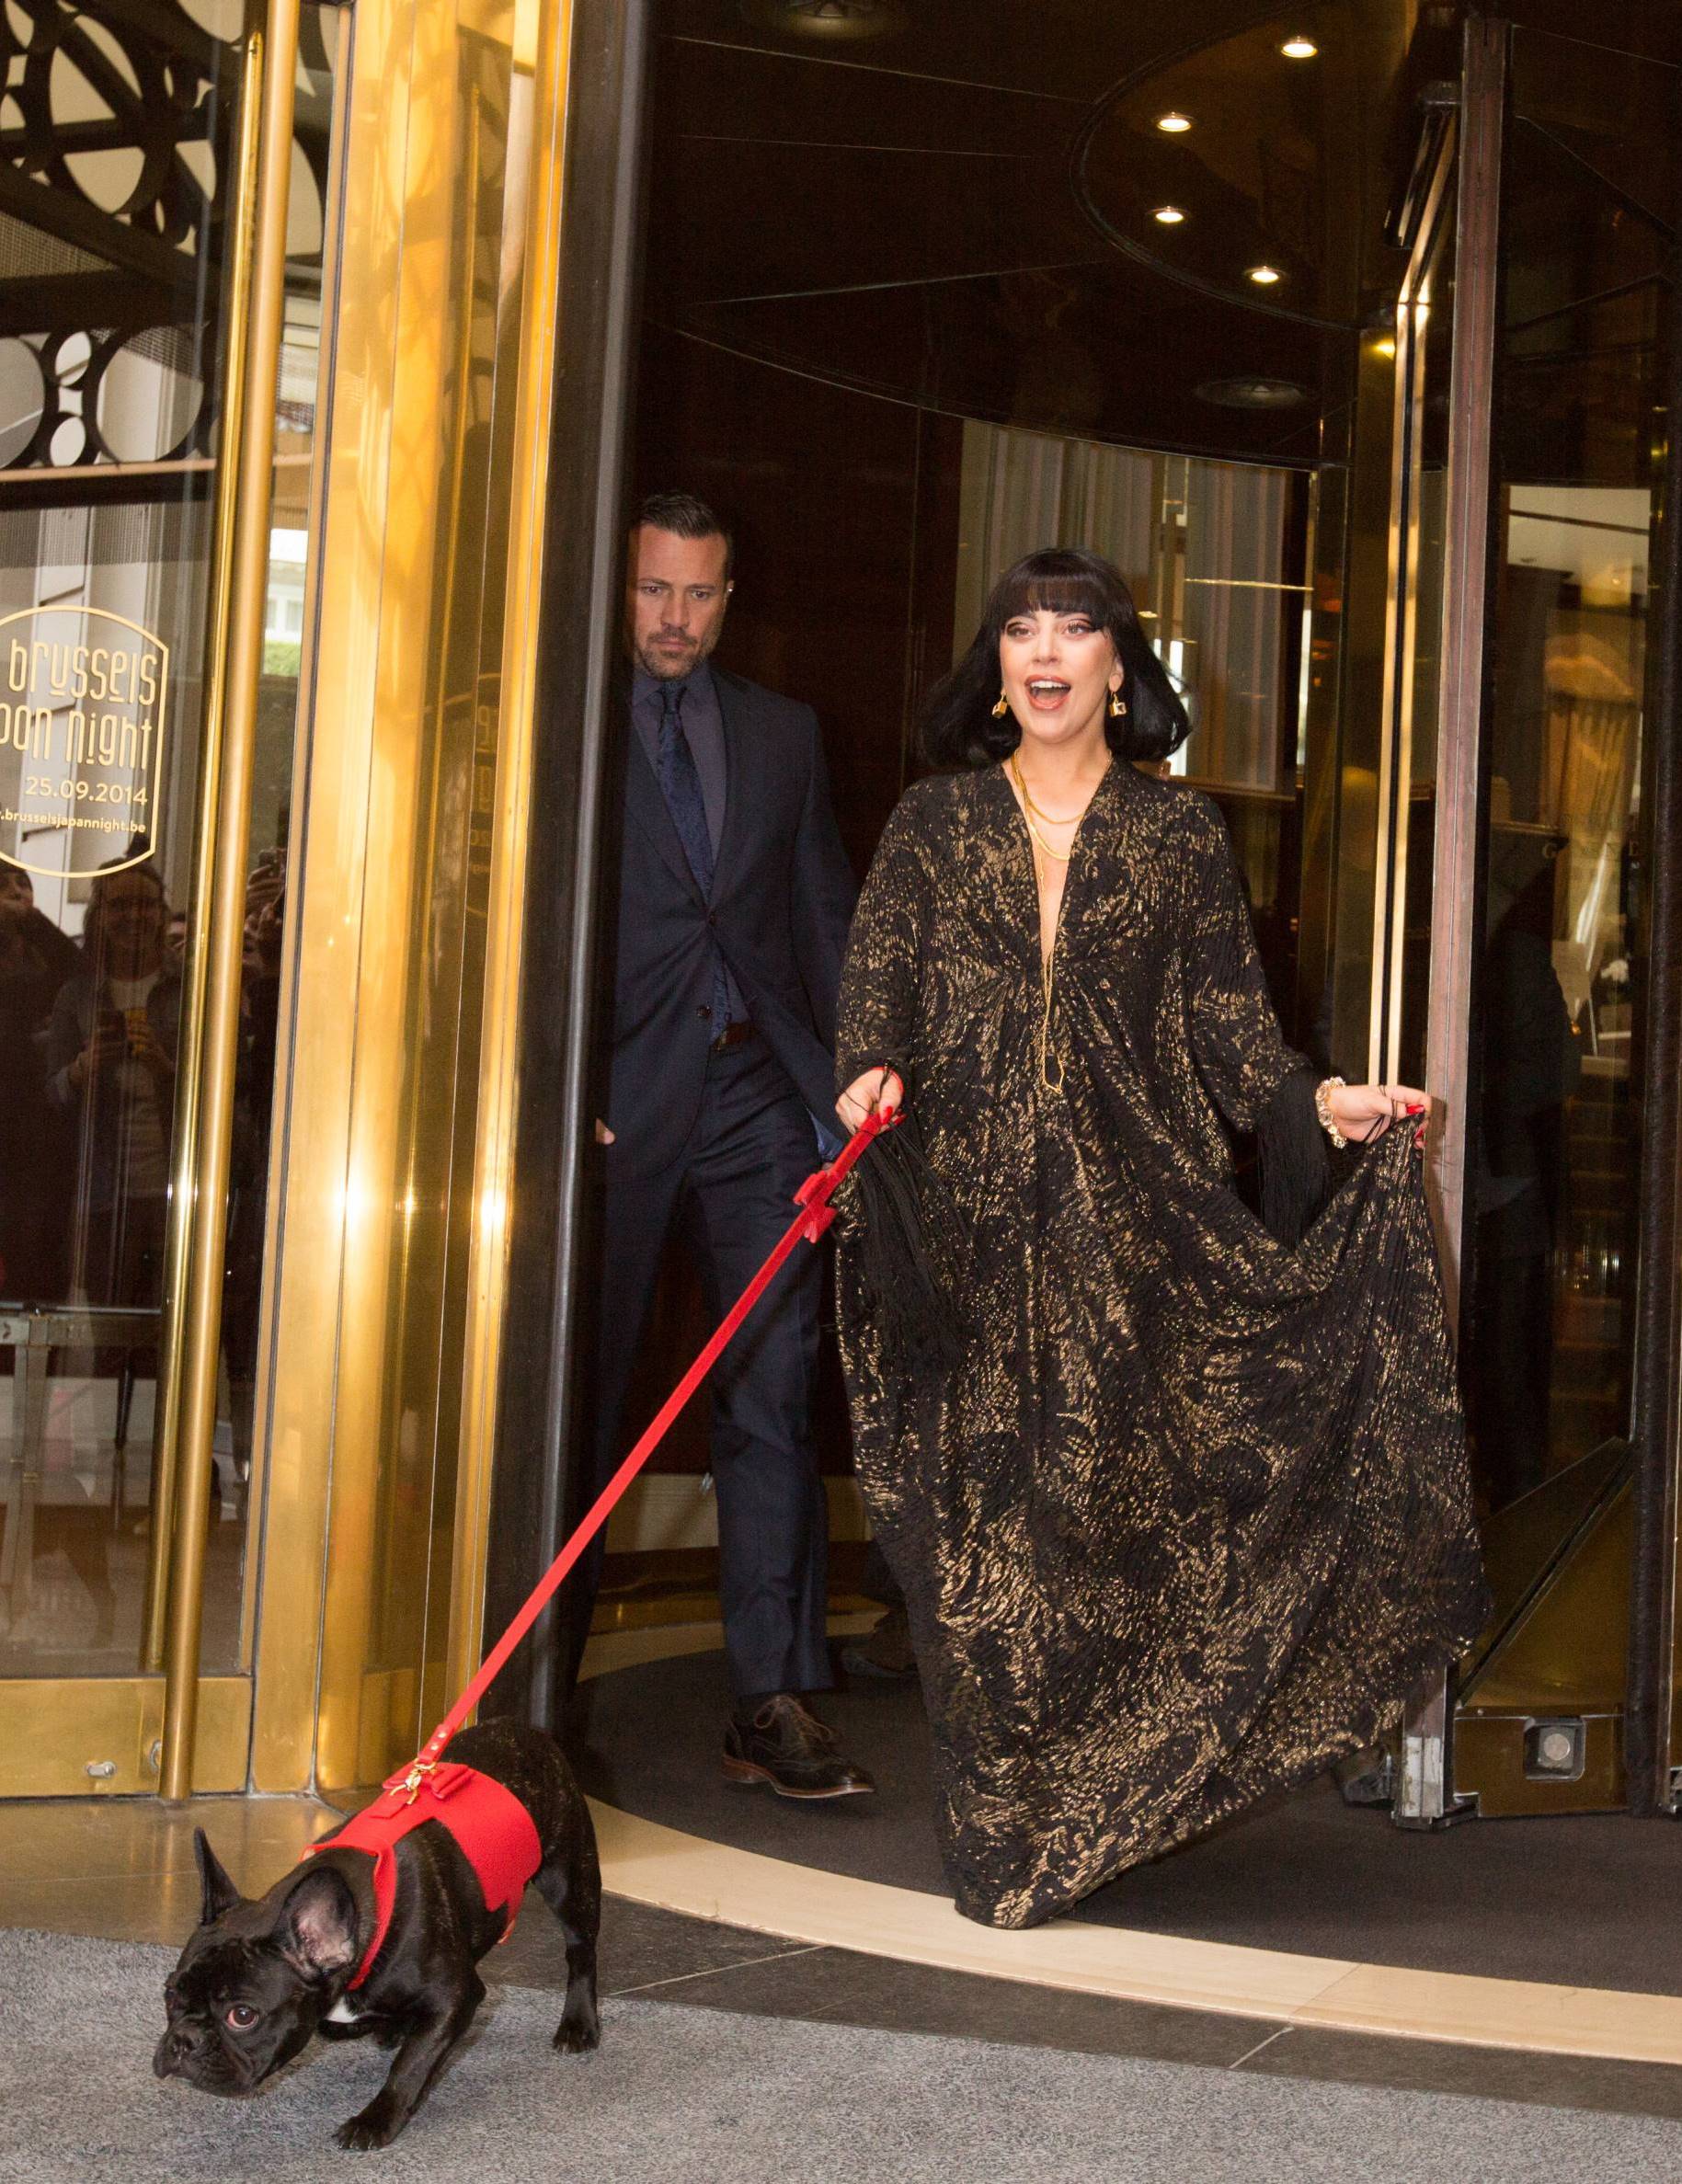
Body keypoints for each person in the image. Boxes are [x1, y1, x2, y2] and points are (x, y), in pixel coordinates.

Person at [831, 547, 1488, 1928]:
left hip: (1133, 1248)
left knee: (1104, 1541)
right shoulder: (931, 825)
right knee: (974, 1549)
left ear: (1118, 669)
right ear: (996, 670)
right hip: (960, 1246)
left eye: (1075, 629)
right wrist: (869, 1079)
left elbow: (1229, 1034)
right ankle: (1006, 1822)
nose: (1045, 651)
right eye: (1021, 629)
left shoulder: (1178, 836)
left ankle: (1083, 1813)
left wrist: (1321, 1102)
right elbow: (873, 1004)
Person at [578, 490, 871, 1799]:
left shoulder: (781, 732)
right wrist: (556, 1089)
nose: (675, 619)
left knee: (771, 1389)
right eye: (655, 590)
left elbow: (820, 912)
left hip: (756, 1095)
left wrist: (848, 1078)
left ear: (728, 597)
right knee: (580, 1400)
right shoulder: (565, 721)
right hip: (611, 1105)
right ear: (620, 585)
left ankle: (771, 1698)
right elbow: (520, 919)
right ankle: (534, 1696)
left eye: (699, 595)